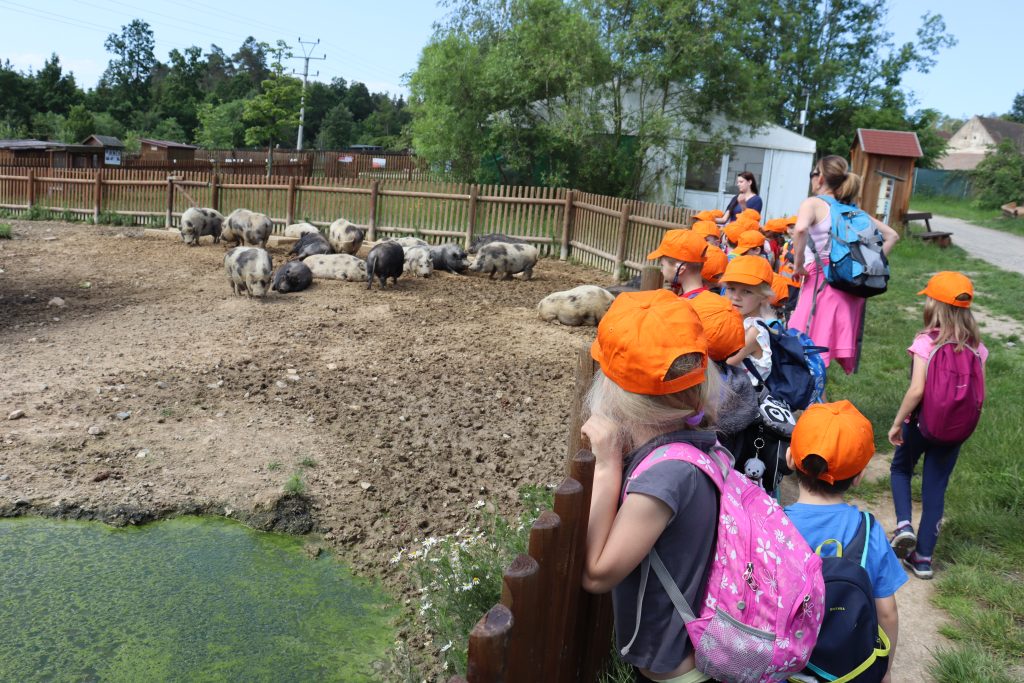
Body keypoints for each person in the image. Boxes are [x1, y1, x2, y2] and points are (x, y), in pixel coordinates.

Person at [581, 289, 721, 683]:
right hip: (690, 653)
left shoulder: (666, 477)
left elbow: (596, 575)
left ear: (612, 384)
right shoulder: (698, 443)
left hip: (676, 672)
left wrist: (608, 465)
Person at [784, 400, 906, 683]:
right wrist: (885, 670)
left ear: (790, 458)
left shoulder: (773, 525)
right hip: (846, 671)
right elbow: (887, 611)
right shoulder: (868, 531)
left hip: (783, 668)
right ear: (859, 476)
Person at [887, 272, 988, 580]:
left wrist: (897, 424)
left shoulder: (926, 342)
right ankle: (923, 559)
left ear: (934, 305)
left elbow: (917, 390)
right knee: (936, 488)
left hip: (920, 424)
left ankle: (903, 525)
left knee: (900, 469)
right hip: (954, 431)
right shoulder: (977, 348)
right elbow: (977, 393)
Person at [789, 155, 899, 374]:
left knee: (802, 349)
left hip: (821, 284)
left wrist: (798, 265)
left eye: (813, 173)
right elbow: (892, 235)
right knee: (819, 357)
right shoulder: (853, 211)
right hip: (848, 288)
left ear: (820, 178)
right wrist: (864, 266)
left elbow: (800, 229)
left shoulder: (813, 203)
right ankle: (817, 394)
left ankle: (811, 395)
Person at [721, 255, 776, 384]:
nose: (736, 297)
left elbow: (725, 364)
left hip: (746, 394)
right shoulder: (736, 319)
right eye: (731, 289)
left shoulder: (754, 331)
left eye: (746, 291)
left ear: (764, 297)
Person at [647, 229, 709, 297]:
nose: (661, 270)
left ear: (680, 269)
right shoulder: (705, 296)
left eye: (662, 265)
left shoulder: (687, 302)